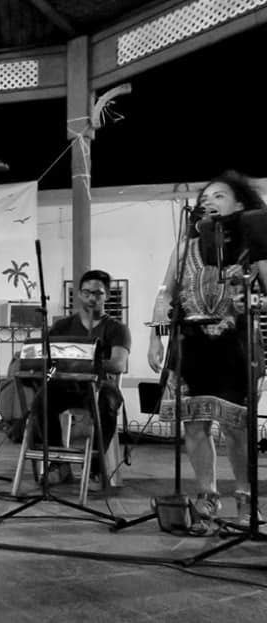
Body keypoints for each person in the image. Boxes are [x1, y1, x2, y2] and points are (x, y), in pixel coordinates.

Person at [149, 170, 267, 532]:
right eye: (206, 198)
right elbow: (165, 292)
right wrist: (157, 335)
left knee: (237, 427)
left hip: (236, 343)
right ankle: (207, 499)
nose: (208, 202)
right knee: (195, 425)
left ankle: (246, 502)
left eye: (219, 196)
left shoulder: (254, 242)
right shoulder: (185, 248)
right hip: (192, 345)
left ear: (240, 204)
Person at [32, 269, 130, 485]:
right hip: (66, 385)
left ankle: (94, 465)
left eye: (98, 293)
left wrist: (84, 362)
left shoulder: (116, 329)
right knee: (41, 400)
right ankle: (59, 464)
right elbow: (49, 357)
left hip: (99, 386)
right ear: (78, 294)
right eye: (87, 293)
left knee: (108, 402)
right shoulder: (62, 326)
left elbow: (118, 364)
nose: (92, 298)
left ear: (107, 296)